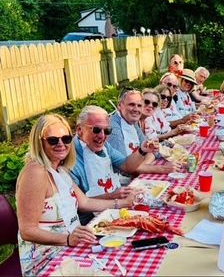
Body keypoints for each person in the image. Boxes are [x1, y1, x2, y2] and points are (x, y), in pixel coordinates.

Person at [16, 114, 137, 275]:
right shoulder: (35, 173)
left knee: (124, 258)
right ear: (39, 142)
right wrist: (67, 239)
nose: (61, 144)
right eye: (53, 140)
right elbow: (27, 230)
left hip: (69, 247)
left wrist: (122, 203)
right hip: (46, 258)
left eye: (66, 138)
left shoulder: (59, 169)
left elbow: (85, 202)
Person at [71, 105, 169, 223]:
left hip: (115, 207)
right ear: (79, 130)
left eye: (107, 130)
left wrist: (142, 151)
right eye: (96, 130)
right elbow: (79, 204)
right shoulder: (70, 159)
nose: (102, 136)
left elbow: (127, 166)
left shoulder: (105, 146)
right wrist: (112, 196)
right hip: (91, 220)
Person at [108, 89, 182, 177]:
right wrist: (162, 168)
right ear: (120, 105)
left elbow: (151, 149)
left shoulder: (132, 122)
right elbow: (124, 167)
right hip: (121, 182)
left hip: (135, 175)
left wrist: (142, 165)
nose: (136, 109)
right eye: (132, 104)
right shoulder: (113, 127)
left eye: (139, 105)